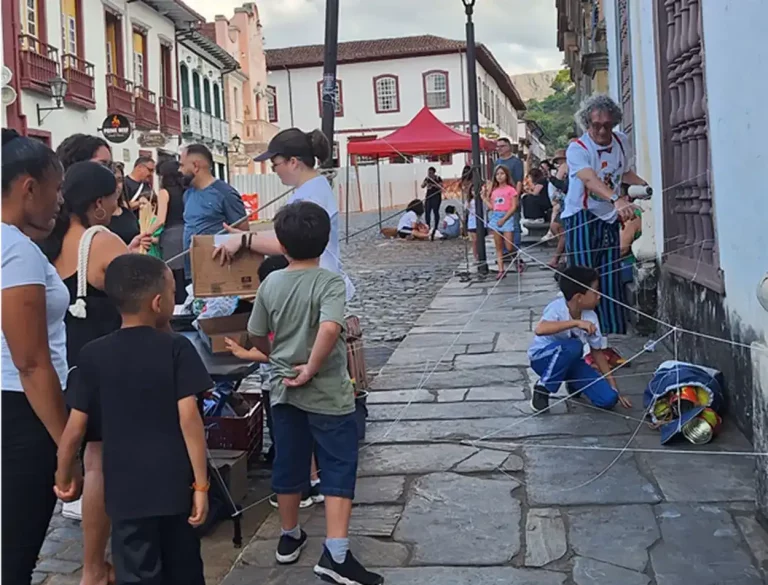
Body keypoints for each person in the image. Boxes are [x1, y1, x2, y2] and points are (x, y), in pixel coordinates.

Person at [247, 200, 383, 585]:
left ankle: (289, 536)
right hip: (327, 392)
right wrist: (311, 366)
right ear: (324, 242)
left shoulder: (270, 283)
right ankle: (336, 554)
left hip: (283, 391)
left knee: (289, 463)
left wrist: (275, 356)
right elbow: (330, 327)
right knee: (338, 465)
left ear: (282, 246)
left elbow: (255, 333)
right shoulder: (329, 282)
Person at [55, 254, 211, 585]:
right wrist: (201, 484)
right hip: (174, 489)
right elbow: (190, 419)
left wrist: (64, 474)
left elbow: (75, 429)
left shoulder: (93, 354)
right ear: (158, 302)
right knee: (184, 569)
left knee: (136, 572)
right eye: (172, 293)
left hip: (125, 496)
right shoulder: (177, 348)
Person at [39, 161, 149, 585]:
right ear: (99, 204)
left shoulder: (48, 240)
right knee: (105, 462)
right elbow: (140, 295)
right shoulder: (99, 240)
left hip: (70, 363)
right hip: (112, 364)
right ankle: (100, 566)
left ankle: (93, 566)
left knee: (93, 457)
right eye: (115, 198)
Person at [1, 129, 81, 585]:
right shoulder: (16, 252)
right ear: (29, 187)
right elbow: (31, 363)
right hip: (21, 411)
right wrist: (66, 446)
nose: (60, 200)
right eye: (57, 188)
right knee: (14, 554)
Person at [214, 128, 355, 301]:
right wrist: (247, 236)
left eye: (275, 164)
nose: (274, 170)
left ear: (293, 162)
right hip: (316, 283)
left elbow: (290, 243)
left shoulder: (309, 197)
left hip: (316, 288)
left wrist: (244, 240)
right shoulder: (312, 188)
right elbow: (284, 234)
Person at [561, 94, 648, 335]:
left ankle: (612, 333)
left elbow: (623, 172)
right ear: (587, 123)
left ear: (614, 123)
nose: (601, 131)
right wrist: (617, 199)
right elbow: (589, 179)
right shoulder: (577, 149)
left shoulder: (621, 142)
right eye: (596, 125)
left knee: (610, 275)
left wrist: (643, 186)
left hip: (608, 216)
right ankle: (582, 331)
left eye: (607, 126)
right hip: (581, 215)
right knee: (584, 276)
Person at [527, 265, 632, 413]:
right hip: (542, 359)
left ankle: (574, 383)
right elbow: (540, 329)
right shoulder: (557, 308)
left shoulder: (591, 317)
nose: (599, 295)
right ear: (579, 297)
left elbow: (597, 353)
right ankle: (542, 389)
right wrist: (576, 323)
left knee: (609, 399)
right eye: (595, 291)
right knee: (574, 346)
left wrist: (615, 389)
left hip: (572, 363)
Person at [180, 143, 246, 279]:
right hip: (192, 271)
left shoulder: (225, 193)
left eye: (182, 165)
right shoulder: (188, 194)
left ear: (196, 166)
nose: (179, 170)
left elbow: (243, 232)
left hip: (219, 270)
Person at [156, 159, 187, 302]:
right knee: (186, 275)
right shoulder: (186, 191)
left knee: (174, 276)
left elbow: (160, 220)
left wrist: (146, 232)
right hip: (186, 233)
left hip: (171, 237)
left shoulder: (164, 193)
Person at [482, 165, 520, 278]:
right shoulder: (494, 191)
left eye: (502, 174)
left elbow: (513, 207)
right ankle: (501, 269)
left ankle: (516, 259)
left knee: (509, 246)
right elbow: (492, 207)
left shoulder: (511, 190)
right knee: (498, 246)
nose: (499, 176)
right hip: (496, 216)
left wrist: (504, 219)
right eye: (497, 174)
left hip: (507, 216)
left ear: (506, 175)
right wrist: (484, 199)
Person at [494, 137, 524, 249]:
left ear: (508, 147)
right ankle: (504, 250)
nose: (499, 149)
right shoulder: (497, 162)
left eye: (502, 146)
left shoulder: (516, 162)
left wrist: (516, 198)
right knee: (500, 224)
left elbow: (519, 181)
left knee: (514, 224)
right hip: (499, 199)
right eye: (498, 147)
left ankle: (515, 250)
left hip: (511, 197)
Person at [109, 161, 141, 246]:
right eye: (112, 180)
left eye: (119, 180)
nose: (117, 186)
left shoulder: (127, 213)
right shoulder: (97, 219)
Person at [546, 149, 568, 269]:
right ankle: (566, 252)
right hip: (563, 202)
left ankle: (556, 258)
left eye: (559, 160)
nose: (558, 163)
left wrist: (552, 178)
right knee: (555, 227)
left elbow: (561, 184)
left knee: (563, 232)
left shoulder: (566, 166)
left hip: (568, 203)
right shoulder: (562, 167)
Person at [420, 166, 443, 237]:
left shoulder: (438, 178)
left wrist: (433, 185)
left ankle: (436, 227)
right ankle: (428, 226)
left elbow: (441, 186)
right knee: (427, 212)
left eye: (430, 173)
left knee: (435, 211)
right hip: (428, 197)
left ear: (434, 173)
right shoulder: (427, 179)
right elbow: (422, 186)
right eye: (428, 173)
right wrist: (425, 183)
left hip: (436, 197)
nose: (429, 174)